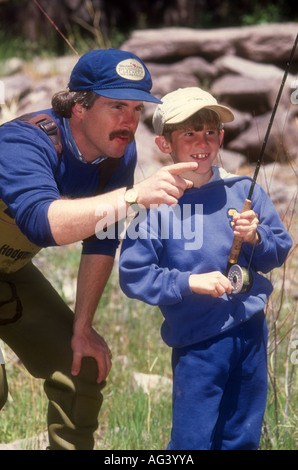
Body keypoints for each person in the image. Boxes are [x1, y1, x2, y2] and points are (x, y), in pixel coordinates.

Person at [0, 50, 197, 450]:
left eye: (136, 108)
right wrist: (134, 196)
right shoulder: (21, 142)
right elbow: (44, 222)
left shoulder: (116, 155)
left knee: (83, 366)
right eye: (116, 106)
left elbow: (103, 238)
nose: (129, 120)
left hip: (11, 271)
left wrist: (82, 327)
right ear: (78, 107)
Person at [119, 87, 293, 450]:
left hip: (251, 332)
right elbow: (134, 275)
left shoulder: (244, 189)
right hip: (198, 342)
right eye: (189, 133)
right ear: (164, 144)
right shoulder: (149, 205)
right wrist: (189, 282)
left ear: (222, 138)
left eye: (210, 133)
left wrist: (256, 238)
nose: (202, 142)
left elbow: (278, 251)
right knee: (193, 439)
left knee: (242, 433)